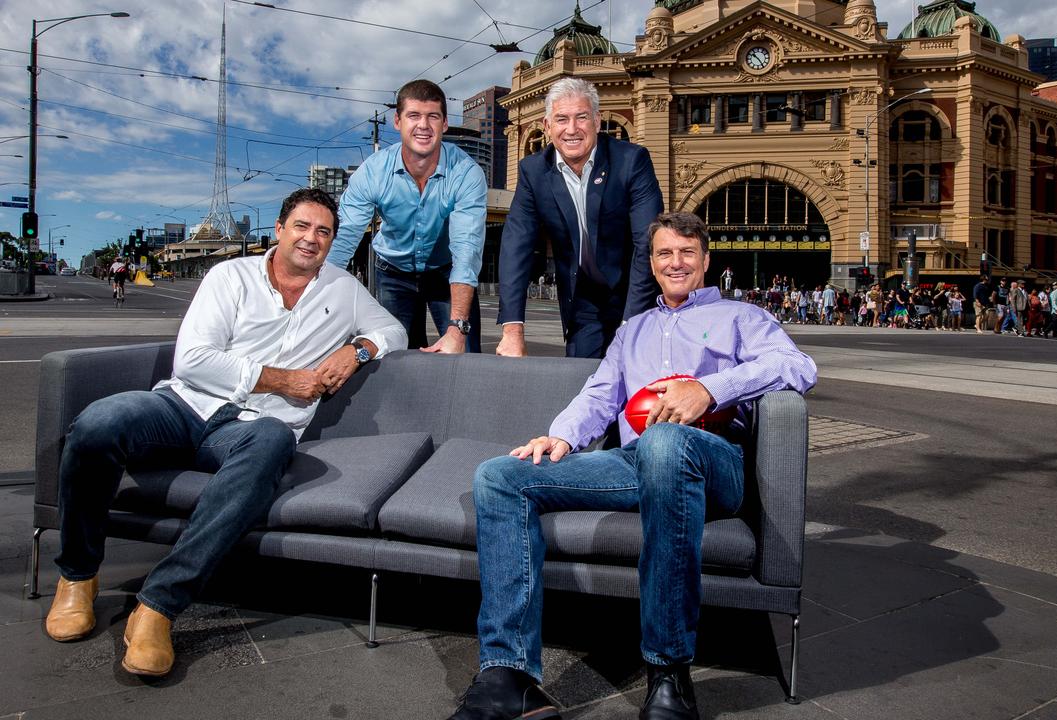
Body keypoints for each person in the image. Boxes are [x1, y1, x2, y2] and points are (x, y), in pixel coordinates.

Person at [452, 212, 816, 720]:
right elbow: (601, 395)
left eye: (688, 252)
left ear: (706, 260)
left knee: (666, 442)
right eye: (665, 253)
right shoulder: (632, 330)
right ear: (652, 263)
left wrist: (709, 389)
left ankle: (668, 672)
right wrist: (560, 436)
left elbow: (798, 366)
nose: (676, 262)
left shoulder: (741, 317)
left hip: (713, 462)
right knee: (500, 476)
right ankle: (508, 677)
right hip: (632, 460)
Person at [43, 189, 408, 677]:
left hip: (249, 428)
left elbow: (395, 331)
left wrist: (358, 349)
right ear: (278, 230)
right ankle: (77, 577)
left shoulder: (343, 289)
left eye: (324, 232)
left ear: (332, 242)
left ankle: (158, 606)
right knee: (98, 423)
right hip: (183, 406)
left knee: (275, 441)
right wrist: (283, 378)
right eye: (301, 226)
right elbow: (192, 360)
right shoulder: (229, 275)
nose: (311, 239)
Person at [497, 76, 664, 359]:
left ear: (597, 122)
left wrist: (630, 325)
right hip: (582, 296)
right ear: (548, 127)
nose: (571, 129)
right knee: (582, 385)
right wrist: (513, 329)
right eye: (561, 119)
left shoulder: (631, 161)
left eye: (581, 117)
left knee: (636, 384)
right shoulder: (533, 171)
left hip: (634, 290)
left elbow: (646, 243)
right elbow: (516, 245)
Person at [327, 79, 487, 353]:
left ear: (444, 124)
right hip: (392, 272)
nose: (423, 125)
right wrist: (315, 298)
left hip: (446, 271)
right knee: (394, 356)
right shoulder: (373, 172)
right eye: (414, 115)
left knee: (467, 354)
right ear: (398, 122)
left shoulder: (467, 173)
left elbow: (466, 249)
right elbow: (344, 239)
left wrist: (458, 326)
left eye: (432, 116)